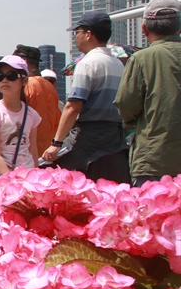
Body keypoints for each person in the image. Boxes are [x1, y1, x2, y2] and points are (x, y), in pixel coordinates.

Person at [41, 11, 130, 183]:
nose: (76, 38)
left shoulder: (87, 63)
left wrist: (56, 143)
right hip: (114, 137)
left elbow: (73, 106)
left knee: (51, 176)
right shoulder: (119, 64)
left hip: (87, 137)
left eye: (77, 32)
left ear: (88, 34)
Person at [114, 0, 181, 185]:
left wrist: (131, 122)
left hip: (154, 159)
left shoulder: (141, 59)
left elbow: (126, 104)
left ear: (144, 29)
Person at [0, 55, 41, 176]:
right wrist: (9, 179)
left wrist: (36, 177)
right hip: (0, 177)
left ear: (24, 80)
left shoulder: (31, 114)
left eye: (11, 76)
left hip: (26, 175)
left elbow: (33, 150)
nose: (4, 80)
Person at [13, 44, 60, 151]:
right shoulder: (50, 86)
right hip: (48, 150)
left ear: (24, 62)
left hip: (28, 151)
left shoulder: (26, 85)